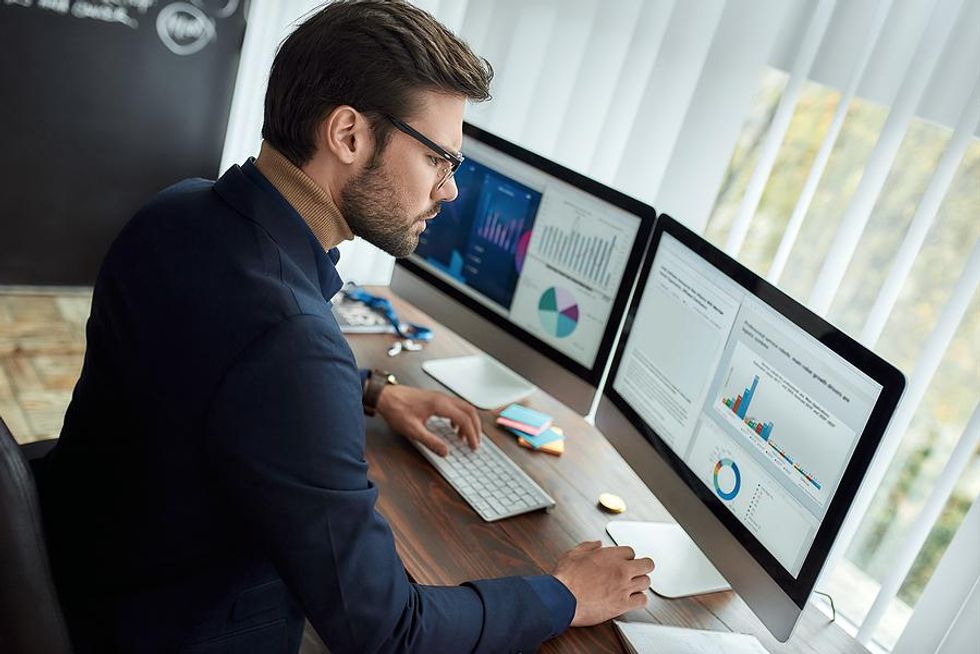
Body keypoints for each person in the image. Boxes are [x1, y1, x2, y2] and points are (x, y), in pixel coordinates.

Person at [36, 1, 653, 652]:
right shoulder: (290, 341)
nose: (448, 191)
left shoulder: (177, 210)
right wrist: (563, 594)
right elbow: (387, 633)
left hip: (88, 575)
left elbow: (217, 370)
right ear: (349, 135)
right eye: (439, 160)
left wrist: (375, 391)